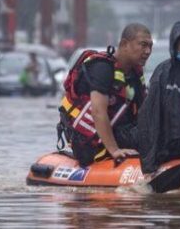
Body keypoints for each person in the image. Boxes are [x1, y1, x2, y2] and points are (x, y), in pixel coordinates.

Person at [59, 23, 152, 167]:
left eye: (150, 46)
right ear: (124, 44)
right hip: (89, 143)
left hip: (121, 132)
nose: (147, 51)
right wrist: (114, 151)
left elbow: (145, 113)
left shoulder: (135, 74)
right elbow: (98, 112)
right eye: (143, 45)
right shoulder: (102, 69)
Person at [138, 22, 180, 174]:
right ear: (175, 44)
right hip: (173, 145)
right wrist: (150, 163)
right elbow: (151, 116)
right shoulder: (164, 72)